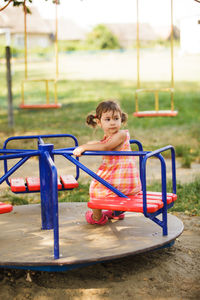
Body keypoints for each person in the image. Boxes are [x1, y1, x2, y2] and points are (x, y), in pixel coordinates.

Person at [73, 100, 141, 225]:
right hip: (123, 180)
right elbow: (102, 143)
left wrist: (84, 147)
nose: (112, 123)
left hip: (122, 181)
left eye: (116, 118)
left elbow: (106, 147)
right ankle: (115, 212)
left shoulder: (121, 134)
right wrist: (89, 144)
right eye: (108, 119)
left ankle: (97, 218)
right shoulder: (110, 137)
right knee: (104, 183)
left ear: (121, 120)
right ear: (99, 122)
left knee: (95, 188)